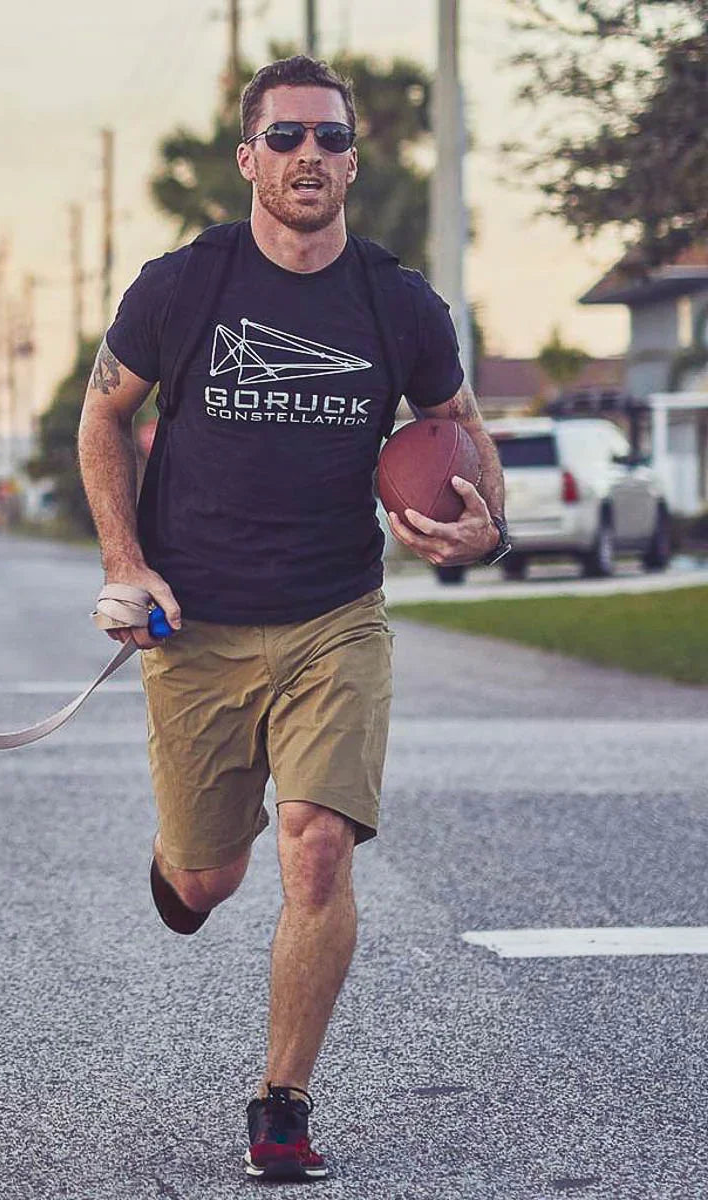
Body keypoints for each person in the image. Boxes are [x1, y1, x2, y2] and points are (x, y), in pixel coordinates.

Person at [77, 55, 509, 1182]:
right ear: (248, 159)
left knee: (315, 849)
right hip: (198, 627)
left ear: (352, 160)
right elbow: (102, 415)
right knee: (210, 882)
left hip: (335, 616)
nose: (307, 156)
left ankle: (283, 1102)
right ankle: (185, 865)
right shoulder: (181, 289)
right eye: (285, 139)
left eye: (327, 139)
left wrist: (486, 531)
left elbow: (457, 424)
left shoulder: (397, 302)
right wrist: (127, 562)